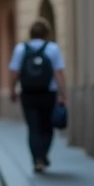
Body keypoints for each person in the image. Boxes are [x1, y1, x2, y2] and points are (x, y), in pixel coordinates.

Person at [8, 18, 68, 173]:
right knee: (47, 126)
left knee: (33, 127)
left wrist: (12, 90)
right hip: (48, 93)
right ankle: (44, 153)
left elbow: (14, 73)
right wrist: (63, 93)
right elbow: (58, 73)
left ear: (31, 33)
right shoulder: (53, 49)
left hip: (28, 94)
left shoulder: (21, 49)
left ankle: (37, 160)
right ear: (47, 33)